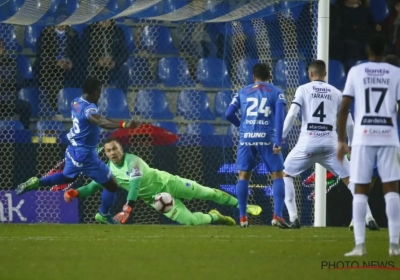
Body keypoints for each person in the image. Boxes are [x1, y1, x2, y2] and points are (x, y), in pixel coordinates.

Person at [15, 77, 138, 223]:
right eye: (99, 92)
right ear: (94, 92)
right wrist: (124, 124)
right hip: (85, 155)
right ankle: (103, 214)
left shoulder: (76, 102)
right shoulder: (89, 108)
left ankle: (37, 182)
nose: (99, 95)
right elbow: (101, 121)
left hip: (72, 149)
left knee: (68, 176)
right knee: (112, 185)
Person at [64, 138, 262, 225]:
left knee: (208, 193)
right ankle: (215, 217)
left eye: (115, 149)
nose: (113, 153)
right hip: (158, 200)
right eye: (109, 151)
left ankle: (243, 206)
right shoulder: (106, 171)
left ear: (121, 149)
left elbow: (134, 185)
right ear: (105, 153)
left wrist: (128, 208)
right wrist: (76, 193)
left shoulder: (133, 161)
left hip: (169, 183)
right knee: (191, 222)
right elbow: (92, 186)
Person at [282, 60, 379, 230]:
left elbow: (291, 115)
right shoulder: (337, 93)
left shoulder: (303, 89)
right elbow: (349, 124)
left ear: (310, 74)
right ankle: (369, 217)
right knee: (351, 182)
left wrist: (280, 137)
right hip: (331, 146)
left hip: (308, 144)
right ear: (325, 74)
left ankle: (294, 218)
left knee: (286, 174)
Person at [337, 34, 400, 257]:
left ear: (367, 52)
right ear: (385, 52)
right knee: (391, 189)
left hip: (363, 137)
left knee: (361, 189)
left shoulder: (356, 72)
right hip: (388, 136)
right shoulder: (396, 73)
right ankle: (394, 245)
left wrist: (342, 141)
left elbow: (344, 108)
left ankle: (360, 246)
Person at [225, 63, 287, 228]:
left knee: (243, 176)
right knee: (278, 175)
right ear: (270, 76)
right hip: (267, 138)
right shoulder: (277, 92)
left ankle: (243, 217)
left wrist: (241, 125)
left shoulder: (242, 91)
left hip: (247, 138)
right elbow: (280, 118)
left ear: (253, 77)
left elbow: (228, 113)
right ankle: (277, 216)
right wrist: (278, 139)